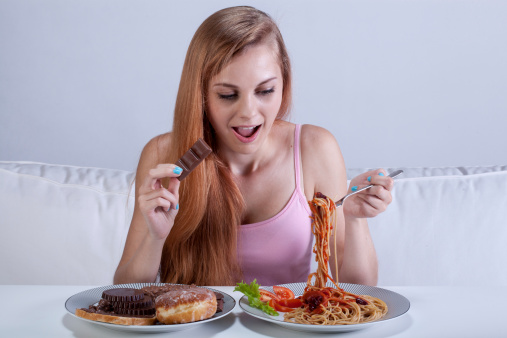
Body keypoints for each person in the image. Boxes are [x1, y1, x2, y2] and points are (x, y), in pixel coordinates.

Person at [114, 6, 394, 287]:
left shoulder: (315, 149)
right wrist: (155, 238)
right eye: (227, 95)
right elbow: (123, 292)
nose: (248, 112)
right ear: (200, 95)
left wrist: (355, 220)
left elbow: (361, 291)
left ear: (284, 83)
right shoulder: (164, 155)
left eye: (265, 91)